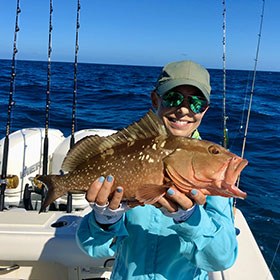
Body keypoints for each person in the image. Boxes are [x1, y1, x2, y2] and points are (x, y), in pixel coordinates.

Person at [76, 60, 237, 279]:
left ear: (205, 110)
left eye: (196, 103)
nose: (183, 110)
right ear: (155, 99)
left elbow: (222, 258)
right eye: (173, 98)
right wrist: (104, 220)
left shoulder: (212, 174)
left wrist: (190, 219)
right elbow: (93, 248)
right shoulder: (131, 150)